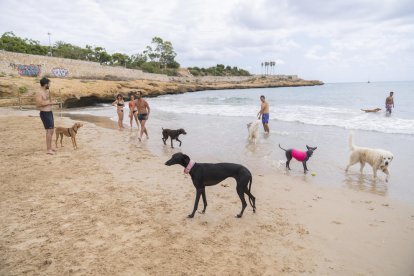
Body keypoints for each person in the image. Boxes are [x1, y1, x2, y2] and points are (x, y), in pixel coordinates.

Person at [35, 77, 57, 155]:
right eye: (49, 83)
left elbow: (45, 102)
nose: (49, 85)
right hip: (45, 114)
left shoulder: (44, 91)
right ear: (45, 84)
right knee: (49, 131)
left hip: (49, 113)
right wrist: (50, 102)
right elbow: (39, 104)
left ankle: (50, 148)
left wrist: (50, 102)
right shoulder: (39, 92)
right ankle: (48, 149)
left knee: (51, 130)